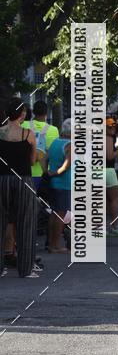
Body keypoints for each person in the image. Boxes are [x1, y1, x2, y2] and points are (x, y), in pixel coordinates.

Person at [0, 98, 38, 278]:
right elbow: (32, 160)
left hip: (2, 180)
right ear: (22, 114)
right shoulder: (28, 134)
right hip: (23, 180)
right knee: (26, 223)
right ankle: (26, 269)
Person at [47, 119, 72, 254]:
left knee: (54, 213)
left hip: (53, 183)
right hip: (64, 183)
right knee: (60, 215)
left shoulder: (55, 142)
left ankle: (51, 243)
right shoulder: (69, 145)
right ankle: (55, 245)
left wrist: (48, 172)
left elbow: (45, 158)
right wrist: (55, 173)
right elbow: (66, 166)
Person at [22, 100, 59, 191]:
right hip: (44, 174)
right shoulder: (53, 130)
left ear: (33, 111)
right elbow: (54, 153)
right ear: (46, 113)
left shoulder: (23, 125)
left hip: (26, 173)